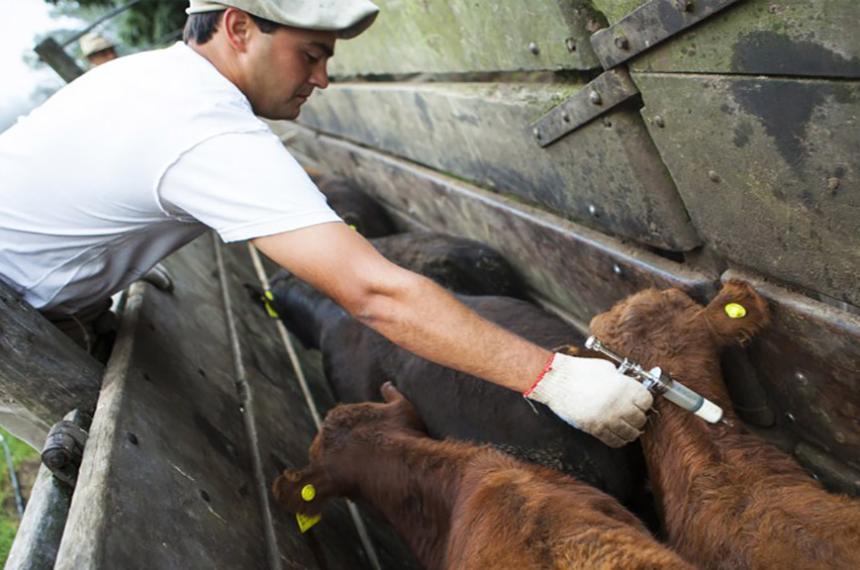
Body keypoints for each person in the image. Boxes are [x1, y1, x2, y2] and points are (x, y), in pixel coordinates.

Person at [0, 0, 653, 450]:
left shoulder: (154, 79)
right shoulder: (202, 126)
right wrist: (555, 378)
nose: (324, 78)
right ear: (238, 28)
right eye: (311, 54)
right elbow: (372, 293)